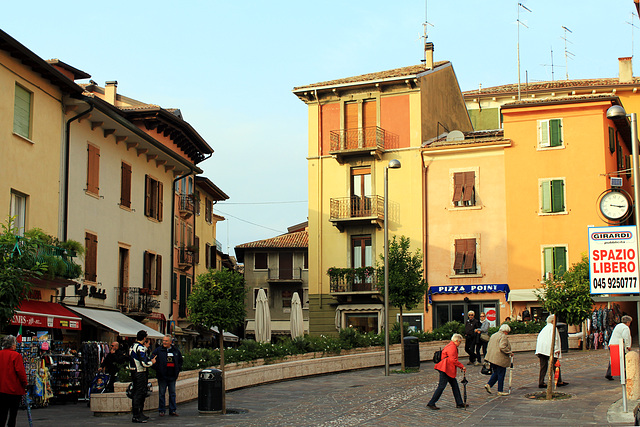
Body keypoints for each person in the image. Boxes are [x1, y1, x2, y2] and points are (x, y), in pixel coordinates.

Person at [426, 333, 468, 410]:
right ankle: (431, 402)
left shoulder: (449, 345)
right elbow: (453, 360)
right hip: (445, 369)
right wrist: (461, 366)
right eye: (460, 342)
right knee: (442, 386)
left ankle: (459, 402)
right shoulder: (452, 347)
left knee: (454, 385)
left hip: (446, 368)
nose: (460, 344)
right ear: (456, 341)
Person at [152, 335, 183, 417]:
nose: (164, 342)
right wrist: (157, 368)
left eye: (166, 341)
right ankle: (161, 410)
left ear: (170, 342)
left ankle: (172, 410)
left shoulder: (175, 351)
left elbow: (180, 361)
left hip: (172, 376)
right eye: (163, 341)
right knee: (162, 393)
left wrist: (177, 370)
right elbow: (152, 360)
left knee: (172, 393)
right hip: (162, 376)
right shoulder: (158, 351)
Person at [0, 335, 28, 427]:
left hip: (1, 389)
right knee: (13, 414)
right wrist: (25, 384)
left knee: (2, 413)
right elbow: (20, 372)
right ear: (12, 345)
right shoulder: (16, 356)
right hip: (14, 390)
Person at [129, 330, 157, 423]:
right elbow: (144, 363)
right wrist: (151, 362)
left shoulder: (133, 346)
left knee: (137, 393)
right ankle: (137, 415)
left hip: (134, 372)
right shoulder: (141, 348)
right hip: (140, 372)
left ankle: (139, 414)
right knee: (139, 393)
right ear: (144, 338)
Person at [535, 314, 567, 388]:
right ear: (553, 321)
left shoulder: (544, 328)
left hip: (541, 349)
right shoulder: (553, 328)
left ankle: (541, 382)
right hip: (549, 349)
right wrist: (557, 349)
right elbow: (555, 339)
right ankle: (559, 381)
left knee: (543, 367)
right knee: (556, 366)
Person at [483, 324, 513, 396]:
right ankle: (500, 390)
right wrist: (509, 352)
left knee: (496, 372)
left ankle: (489, 384)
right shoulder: (503, 336)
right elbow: (502, 347)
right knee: (501, 374)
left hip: (492, 357)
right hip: (499, 358)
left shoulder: (494, 335)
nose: (507, 334)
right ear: (505, 331)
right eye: (507, 332)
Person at [606, 315, 633, 380]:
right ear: (628, 322)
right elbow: (625, 337)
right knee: (622, 360)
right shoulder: (626, 328)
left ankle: (609, 373)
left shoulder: (618, 325)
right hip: (618, 345)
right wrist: (628, 346)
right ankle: (623, 375)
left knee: (613, 359)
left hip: (612, 344)